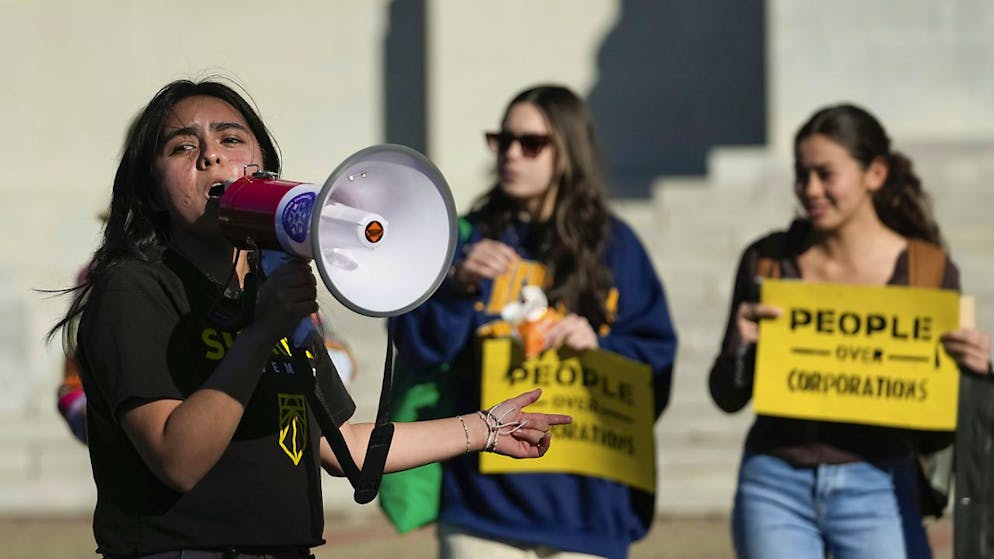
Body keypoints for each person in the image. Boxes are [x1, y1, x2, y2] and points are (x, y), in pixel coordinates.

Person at [46, 79, 571, 559]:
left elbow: (344, 446)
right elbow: (177, 458)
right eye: (183, 147)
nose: (211, 154)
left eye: (231, 139)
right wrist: (262, 334)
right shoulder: (133, 289)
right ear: (152, 189)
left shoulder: (267, 293)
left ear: (262, 168)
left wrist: (485, 427)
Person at [389, 85, 678, 559]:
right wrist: (458, 285)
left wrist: (600, 349)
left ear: (569, 152)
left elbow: (657, 365)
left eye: (531, 143)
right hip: (482, 511)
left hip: (586, 511)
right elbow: (417, 349)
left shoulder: (616, 246)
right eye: (501, 141)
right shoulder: (465, 237)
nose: (511, 154)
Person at [708, 104, 992, 559]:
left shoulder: (927, 270)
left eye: (825, 174)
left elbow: (939, 427)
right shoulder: (767, 261)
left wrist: (975, 374)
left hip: (880, 485)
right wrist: (740, 349)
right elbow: (726, 396)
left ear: (874, 174)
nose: (810, 190)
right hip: (774, 485)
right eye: (802, 175)